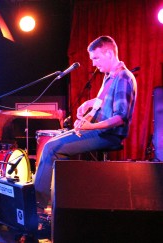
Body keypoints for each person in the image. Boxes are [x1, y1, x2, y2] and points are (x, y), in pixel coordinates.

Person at [33, 36, 137, 209]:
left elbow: (120, 117)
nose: (94, 64)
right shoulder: (109, 76)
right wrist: (88, 106)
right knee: (52, 145)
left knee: (51, 148)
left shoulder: (124, 78)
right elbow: (102, 103)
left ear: (110, 54)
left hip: (108, 135)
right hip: (97, 130)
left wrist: (91, 126)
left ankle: (37, 208)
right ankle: (64, 205)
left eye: (96, 58)